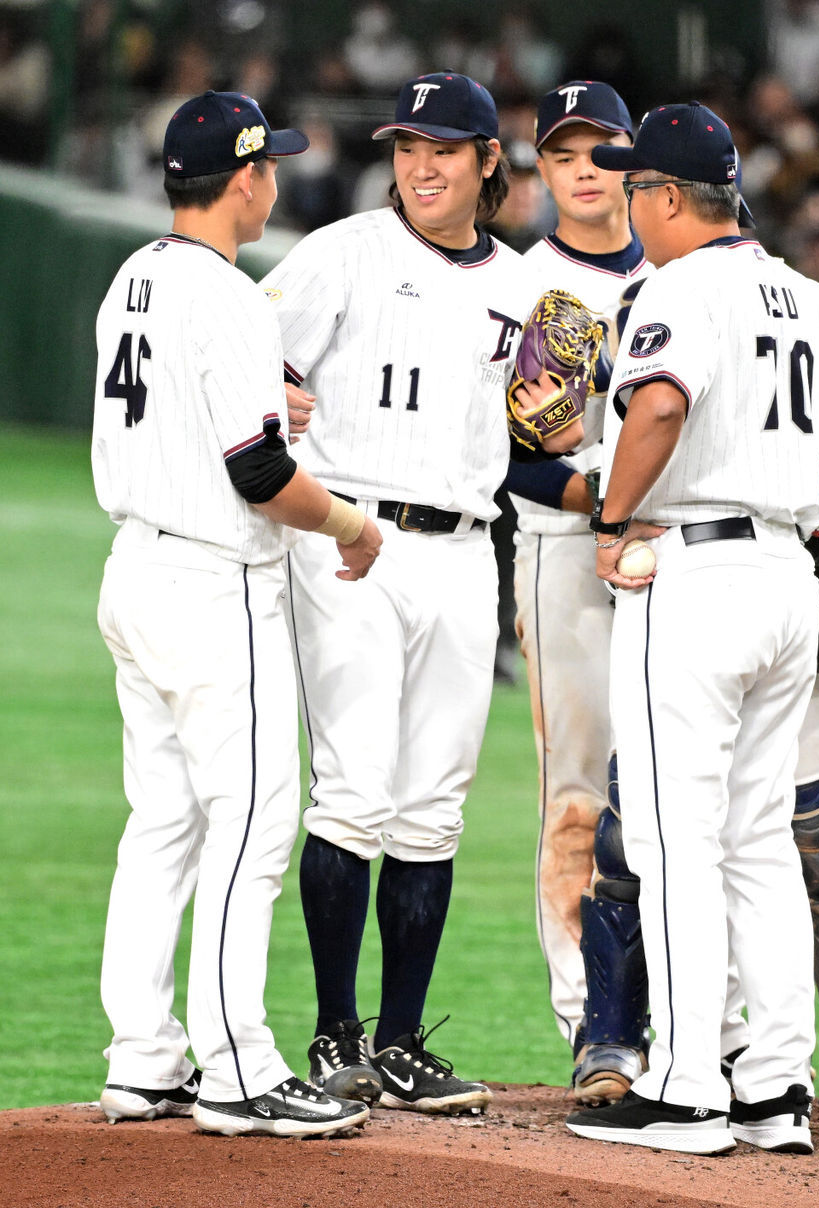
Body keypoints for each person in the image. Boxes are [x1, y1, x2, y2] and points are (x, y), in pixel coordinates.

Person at [564, 101, 819, 1155]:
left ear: (664, 197)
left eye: (631, 184)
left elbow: (654, 404)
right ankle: (774, 1087)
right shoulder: (800, 294)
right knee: (756, 837)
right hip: (785, 573)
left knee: (670, 835)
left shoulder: (676, 286)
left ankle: (689, 1086)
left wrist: (613, 519)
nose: (623, 197)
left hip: (693, 577)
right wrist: (794, 496)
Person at [93, 90, 382, 1139]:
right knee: (253, 824)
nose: (276, 181)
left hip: (136, 571)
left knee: (163, 824)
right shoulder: (229, 295)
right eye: (271, 166)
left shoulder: (135, 276)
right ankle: (237, 1066)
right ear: (248, 177)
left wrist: (270, 393)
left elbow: (195, 410)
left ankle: (143, 1058)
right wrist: (349, 522)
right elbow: (260, 471)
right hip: (214, 585)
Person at [262, 72, 549, 1116]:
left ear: (486, 163)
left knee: (433, 806)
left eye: (443, 148)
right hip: (352, 537)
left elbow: (540, 436)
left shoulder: (522, 287)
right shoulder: (341, 251)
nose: (420, 165)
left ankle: (398, 1041)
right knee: (354, 791)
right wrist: (273, 385)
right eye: (405, 146)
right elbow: (249, 363)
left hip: (467, 549)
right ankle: (334, 1031)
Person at [502, 80, 652, 1075]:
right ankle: (593, 1025)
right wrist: (606, 498)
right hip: (565, 555)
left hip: (681, 554)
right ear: (544, 170)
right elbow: (522, 458)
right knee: (578, 799)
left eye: (603, 153)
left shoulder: (694, 272)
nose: (585, 170)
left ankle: (707, 1027)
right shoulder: (532, 288)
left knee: (689, 798)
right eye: (565, 155)